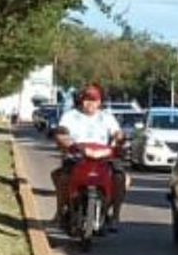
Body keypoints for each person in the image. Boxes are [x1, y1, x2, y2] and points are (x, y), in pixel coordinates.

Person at [51, 84, 128, 231]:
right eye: (87, 99)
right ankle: (61, 211)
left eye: (94, 100)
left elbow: (118, 133)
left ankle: (115, 216)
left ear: (100, 102)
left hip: (103, 157)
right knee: (63, 178)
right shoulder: (70, 116)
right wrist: (66, 142)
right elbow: (62, 132)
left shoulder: (107, 117)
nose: (90, 103)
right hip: (77, 156)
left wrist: (120, 139)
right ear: (81, 100)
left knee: (121, 178)